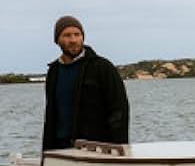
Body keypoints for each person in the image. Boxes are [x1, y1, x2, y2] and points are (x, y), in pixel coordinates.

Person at [42, 15, 130, 151]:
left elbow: (119, 111)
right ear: (57, 40)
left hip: (95, 149)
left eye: (77, 35)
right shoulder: (54, 72)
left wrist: (119, 149)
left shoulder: (102, 67)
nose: (73, 40)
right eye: (67, 35)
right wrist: (46, 153)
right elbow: (50, 116)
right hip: (60, 150)